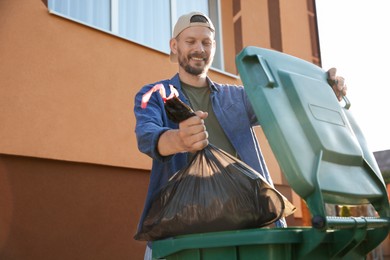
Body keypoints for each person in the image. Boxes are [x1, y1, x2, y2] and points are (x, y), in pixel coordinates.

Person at [133, 11, 347, 259]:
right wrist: (179, 140)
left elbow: (286, 100)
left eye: (206, 42)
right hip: (180, 233)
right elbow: (147, 136)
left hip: (247, 230)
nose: (199, 49)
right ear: (174, 45)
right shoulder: (155, 94)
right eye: (190, 41)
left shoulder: (239, 97)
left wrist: (323, 88)